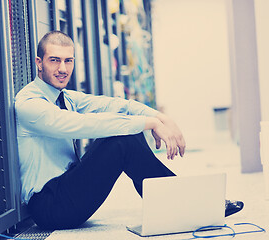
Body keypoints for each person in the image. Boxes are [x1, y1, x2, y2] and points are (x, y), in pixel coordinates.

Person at [15, 30, 243, 230]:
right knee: (121, 140)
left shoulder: (66, 97)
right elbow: (86, 124)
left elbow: (115, 104)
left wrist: (158, 116)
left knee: (128, 133)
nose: (63, 68)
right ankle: (187, 204)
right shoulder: (29, 104)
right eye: (54, 60)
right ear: (39, 62)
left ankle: (181, 202)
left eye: (69, 61)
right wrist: (149, 124)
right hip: (51, 206)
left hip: (68, 188)